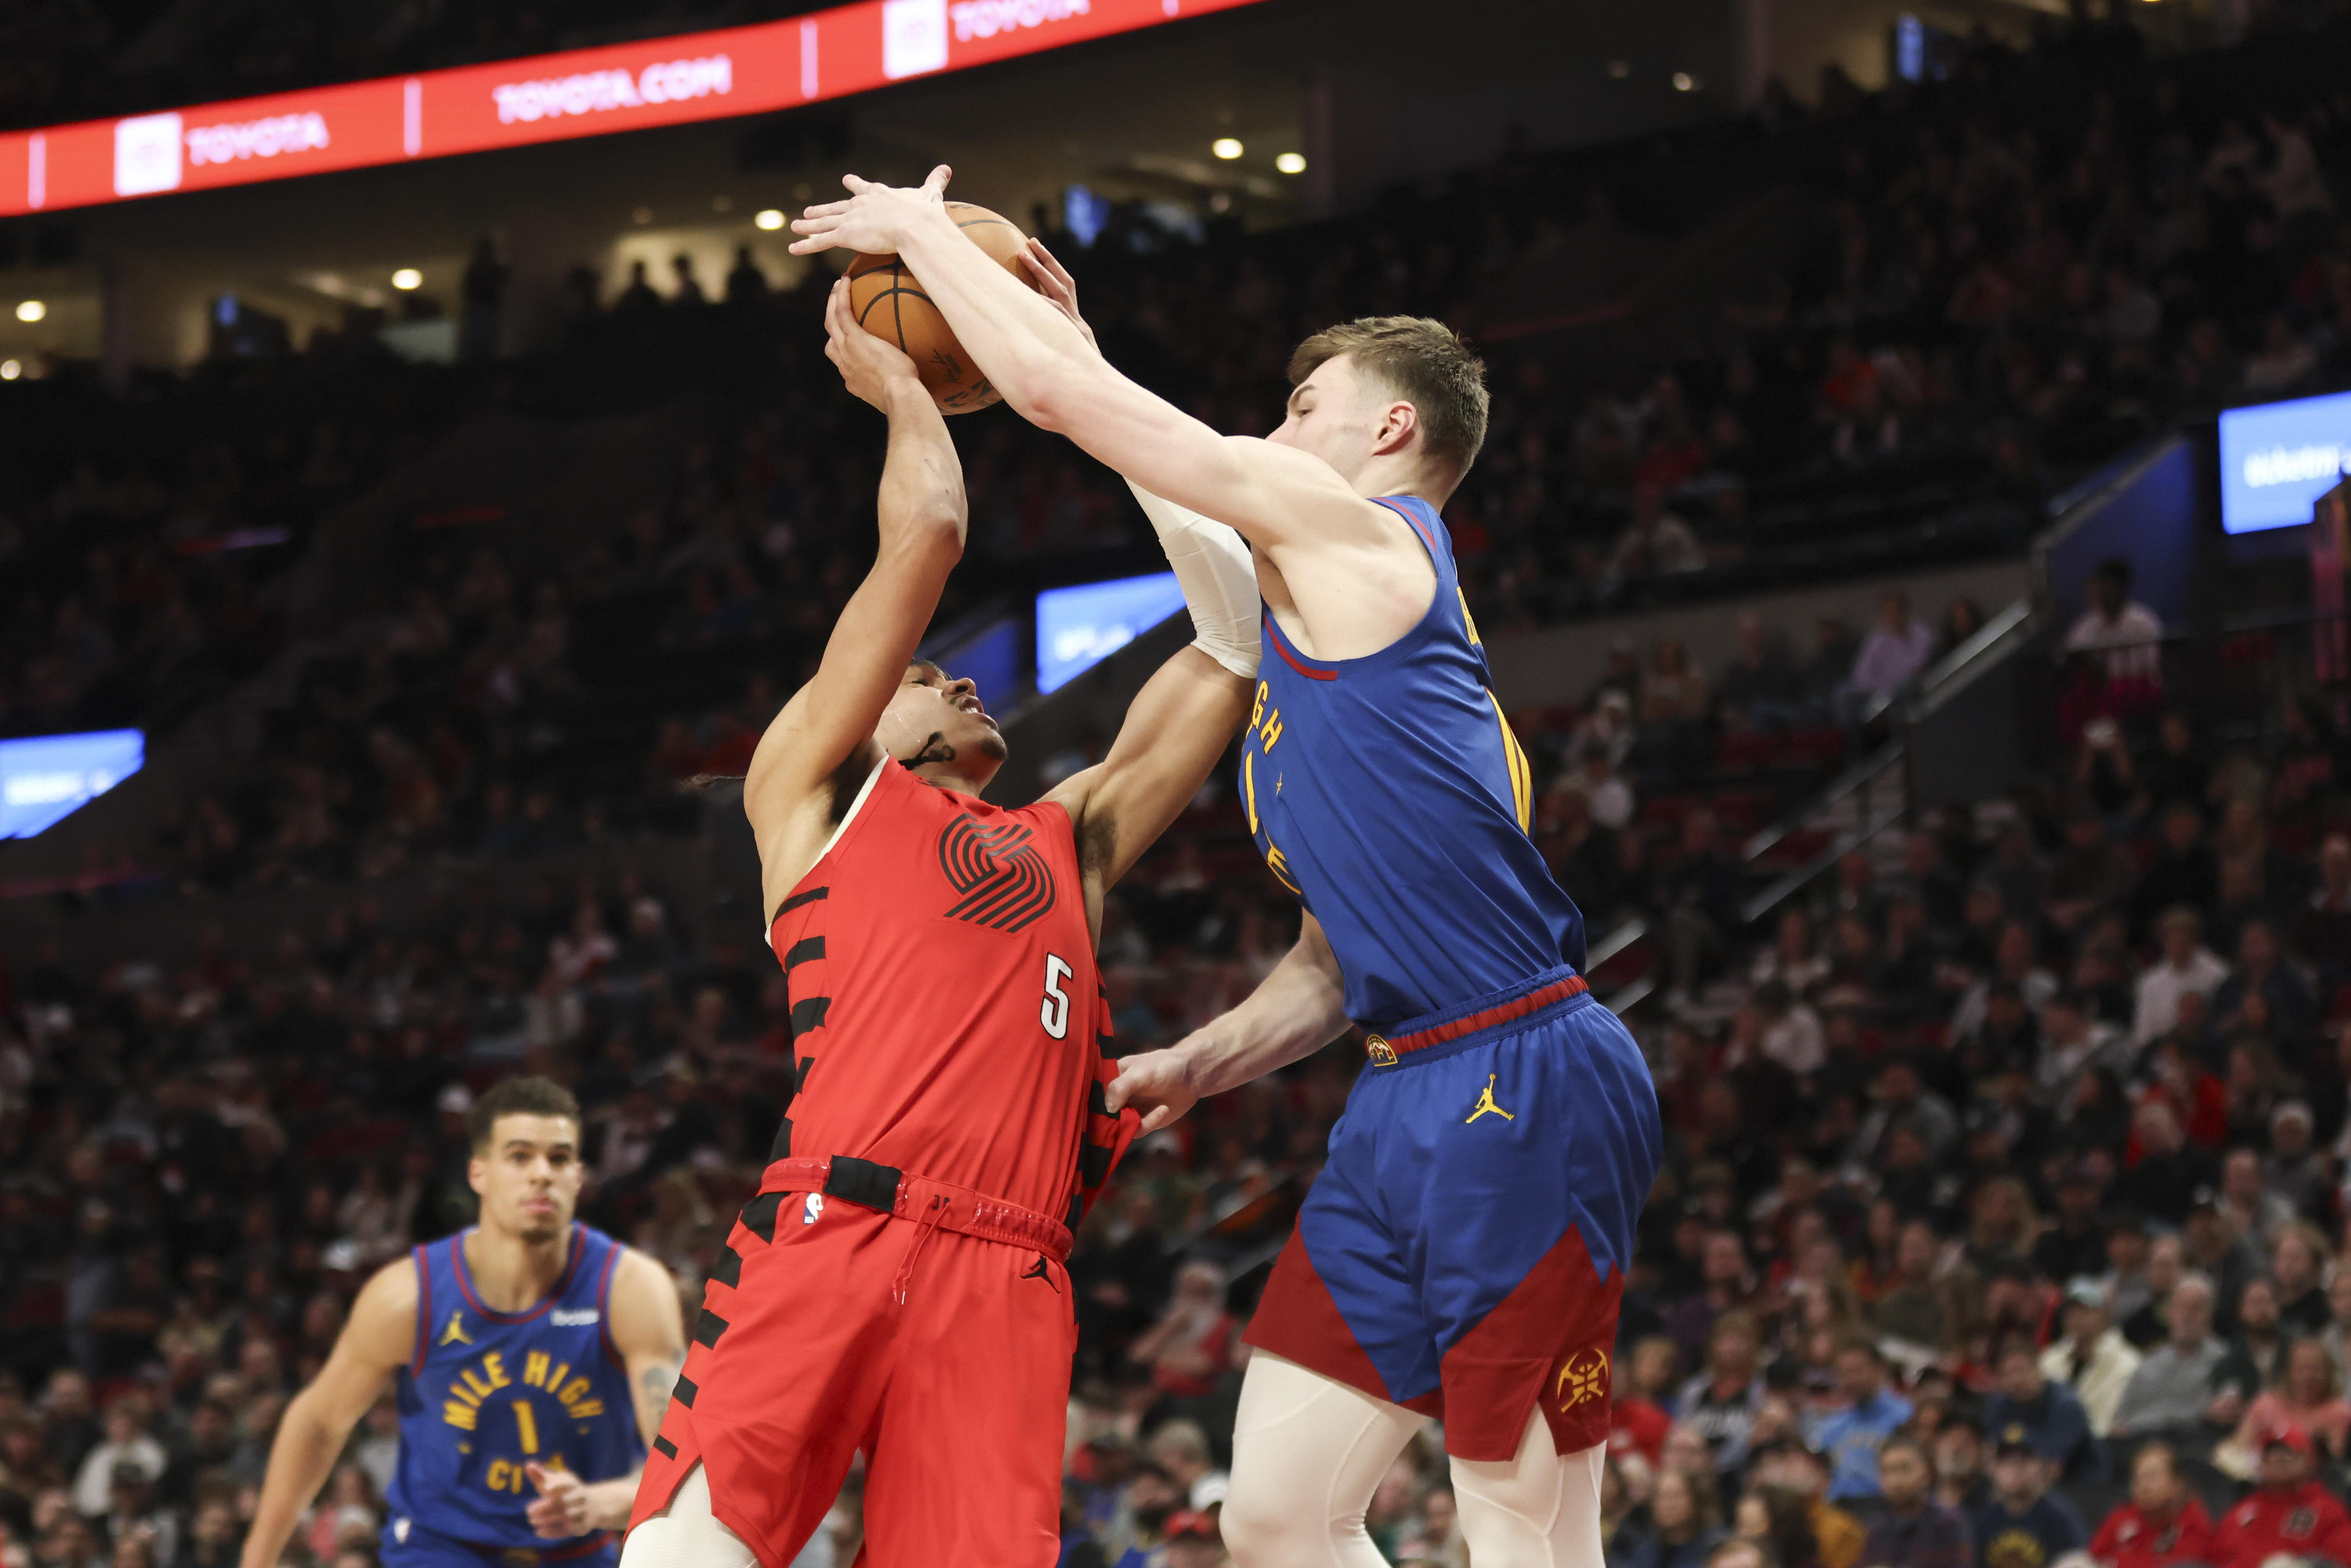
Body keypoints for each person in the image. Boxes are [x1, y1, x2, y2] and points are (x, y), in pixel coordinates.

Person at [792, 169, 1661, 1568]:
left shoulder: (1371, 542)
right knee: (1270, 1514)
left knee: (1520, 1510)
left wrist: (920, 244)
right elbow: (1330, 958)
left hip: (1522, 1077)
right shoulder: (1320, 625)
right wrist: (1201, 1060)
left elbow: (1116, 432)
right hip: (1398, 1085)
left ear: (1387, 428)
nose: (1269, 430)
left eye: (1298, 410)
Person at [622, 277, 1259, 1568]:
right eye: (924, 675)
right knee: (684, 1555)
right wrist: (910, 387)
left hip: (1010, 1267)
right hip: (832, 1225)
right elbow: (928, 528)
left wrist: (1082, 378)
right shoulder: (807, 791)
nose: (957, 673)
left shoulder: (1067, 837)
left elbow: (1238, 636)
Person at [238, 1078, 687, 1568]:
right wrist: (258, 1557)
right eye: (520, 1156)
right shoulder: (407, 1295)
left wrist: (609, 1501)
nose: (542, 1174)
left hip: (581, 1546)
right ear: (479, 1172)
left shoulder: (631, 1287)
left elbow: (679, 1455)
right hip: (440, 1548)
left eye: (559, 1158)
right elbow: (321, 1421)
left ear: (579, 1176)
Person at [2109, 1274, 2252, 1445]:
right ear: (2169, 1313)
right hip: (2141, 1449)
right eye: (2181, 1307)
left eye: (2196, 1308)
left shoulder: (2227, 1363)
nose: (2187, 1315)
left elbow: (2223, 1415)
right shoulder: (2148, 1365)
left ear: (2211, 1316)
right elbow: (2120, 1422)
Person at [2210, 1423, 2351, 1568]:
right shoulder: (2243, 1510)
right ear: (2261, 1463)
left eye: (2288, 1453)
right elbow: (2215, 1557)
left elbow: (2343, 1561)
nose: (2278, 1461)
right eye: (2271, 1455)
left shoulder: (2327, 1511)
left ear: (2308, 1462)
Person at [1983, 1338, 2104, 1481]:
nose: (2016, 1380)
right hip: (2021, 1484)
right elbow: (1988, 1455)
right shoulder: (1999, 1407)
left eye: (2021, 1370)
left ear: (2038, 1369)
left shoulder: (2067, 1406)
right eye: (2008, 1374)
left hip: (2080, 1487)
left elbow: (2051, 1468)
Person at [1808, 1339, 1912, 1502]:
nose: (1850, 1380)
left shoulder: (1906, 1417)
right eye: (1844, 1373)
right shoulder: (1833, 1426)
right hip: (1838, 1510)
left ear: (1880, 1369)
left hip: (1886, 1507)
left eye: (1856, 1371)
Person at [2037, 1282, 2140, 1438]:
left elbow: (2112, 1421)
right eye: (2071, 1311)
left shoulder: (2128, 1364)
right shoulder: (2049, 1360)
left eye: (2085, 1310)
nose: (2077, 1317)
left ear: (2104, 1314)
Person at [1970, 1430, 2084, 1568]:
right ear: (1994, 1470)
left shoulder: (2059, 1519)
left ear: (2041, 1467)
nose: (2015, 1468)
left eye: (2025, 1460)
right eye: (2006, 1461)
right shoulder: (1982, 1521)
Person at [2087, 1445, 2213, 1568]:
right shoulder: (2122, 1516)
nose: (2144, 1487)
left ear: (2177, 1484)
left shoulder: (2193, 1522)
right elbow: (2092, 1558)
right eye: (2138, 1479)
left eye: (2152, 1478)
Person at [1860, 1436, 1972, 1568]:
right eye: (1887, 1471)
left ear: (1926, 1473)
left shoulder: (1948, 1524)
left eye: (1905, 1469)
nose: (1897, 1481)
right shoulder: (1876, 1528)